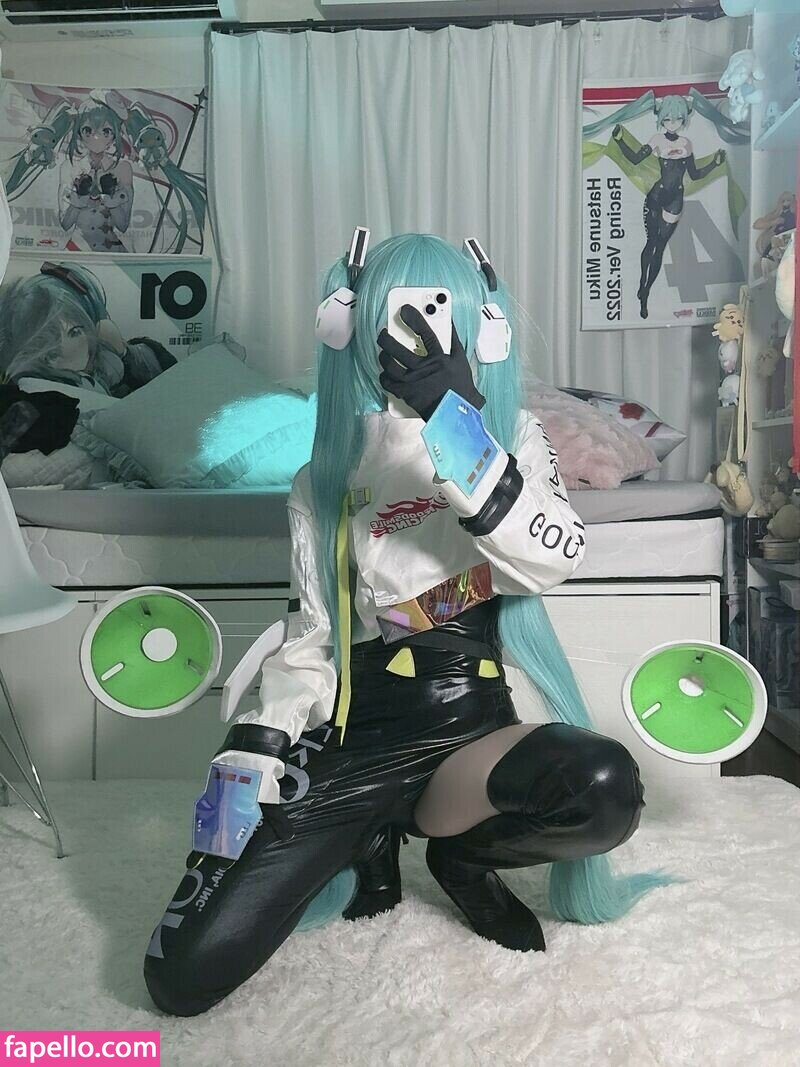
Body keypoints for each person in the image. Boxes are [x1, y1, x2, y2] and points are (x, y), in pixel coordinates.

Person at [144, 233, 666, 1017]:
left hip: (470, 728)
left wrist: (457, 424)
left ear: (478, 325)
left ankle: (461, 860)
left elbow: (553, 556)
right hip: (352, 733)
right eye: (398, 310)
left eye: (439, 308)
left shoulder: (511, 441)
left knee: (604, 787)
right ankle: (368, 837)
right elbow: (314, 634)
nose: (419, 328)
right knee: (179, 974)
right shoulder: (324, 476)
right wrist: (254, 746)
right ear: (354, 325)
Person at [0, 262, 175, 396]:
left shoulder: (112, 363)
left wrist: (126, 354)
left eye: (74, 332)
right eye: (45, 339)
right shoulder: (22, 392)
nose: (60, 348)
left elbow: (170, 385)